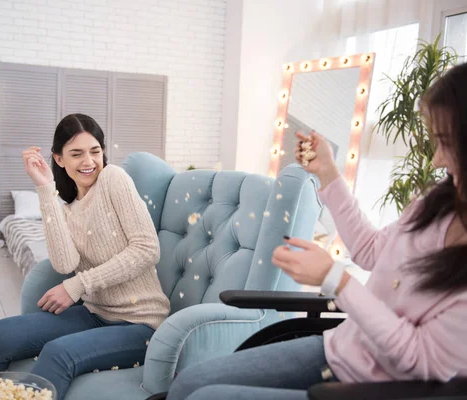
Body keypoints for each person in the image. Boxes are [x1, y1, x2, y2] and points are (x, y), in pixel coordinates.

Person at [164, 63, 467, 400]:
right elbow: (369, 250)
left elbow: (418, 359)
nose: (437, 159)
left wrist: (336, 279)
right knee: (187, 385)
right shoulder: (436, 207)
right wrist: (328, 173)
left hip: (375, 390)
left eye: (446, 143)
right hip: (339, 350)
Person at [0, 113, 170, 398]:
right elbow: (64, 263)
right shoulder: (67, 208)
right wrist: (45, 189)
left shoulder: (113, 178)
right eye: (76, 153)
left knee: (58, 352)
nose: (89, 161)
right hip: (95, 313)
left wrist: (77, 286)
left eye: (95, 151)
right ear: (59, 159)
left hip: (141, 324)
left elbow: (147, 249)